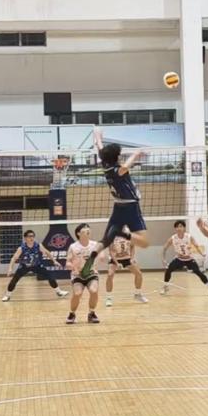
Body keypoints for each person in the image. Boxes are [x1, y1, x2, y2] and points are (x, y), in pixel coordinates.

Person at [80, 130, 148, 278]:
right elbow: (125, 167)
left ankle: (91, 259)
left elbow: (100, 149)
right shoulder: (118, 170)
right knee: (144, 243)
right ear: (116, 157)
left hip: (118, 206)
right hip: (131, 206)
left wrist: (98, 137)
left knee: (105, 240)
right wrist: (136, 154)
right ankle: (122, 233)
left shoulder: (106, 165)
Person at [2, 230, 69, 302]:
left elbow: (47, 252)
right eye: (29, 236)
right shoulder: (21, 248)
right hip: (24, 266)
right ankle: (7, 295)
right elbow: (14, 258)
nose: (32, 238)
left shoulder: (38, 245)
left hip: (37, 265)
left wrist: (54, 261)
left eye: (33, 236)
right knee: (14, 280)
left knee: (50, 276)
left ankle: (59, 292)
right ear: (25, 238)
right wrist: (10, 269)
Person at [66, 224, 102, 325]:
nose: (87, 229)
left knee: (94, 291)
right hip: (78, 275)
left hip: (91, 273)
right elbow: (67, 262)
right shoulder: (73, 246)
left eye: (88, 228)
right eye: (84, 228)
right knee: (77, 294)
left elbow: (101, 255)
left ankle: (92, 313)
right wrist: (73, 268)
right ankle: (72, 313)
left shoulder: (95, 245)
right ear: (78, 233)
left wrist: (102, 257)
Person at [160, 220, 208, 294]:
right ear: (175, 228)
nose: (179, 228)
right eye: (177, 227)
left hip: (189, 259)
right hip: (179, 259)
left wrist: (202, 253)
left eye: (180, 226)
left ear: (184, 228)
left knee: (198, 272)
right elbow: (164, 248)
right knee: (168, 270)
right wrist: (163, 259)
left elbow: (196, 246)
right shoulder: (173, 238)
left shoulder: (189, 237)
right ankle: (165, 287)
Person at [106, 233, 147, 307]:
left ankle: (137, 294)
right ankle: (109, 298)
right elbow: (111, 251)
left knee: (139, 274)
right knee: (110, 275)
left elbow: (132, 247)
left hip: (127, 259)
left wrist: (132, 258)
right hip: (115, 259)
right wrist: (117, 263)